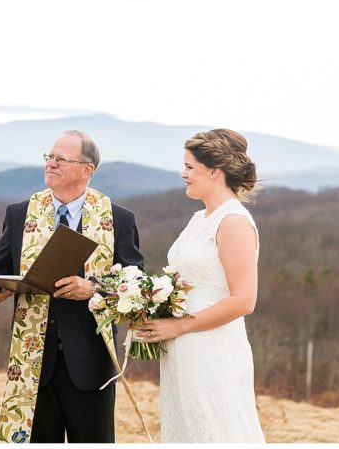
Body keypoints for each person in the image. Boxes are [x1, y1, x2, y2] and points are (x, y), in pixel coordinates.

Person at [0, 130, 144, 443]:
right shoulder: (19, 214)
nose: (51, 164)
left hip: (91, 368)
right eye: (49, 157)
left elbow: (135, 284)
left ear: (87, 170)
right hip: (34, 369)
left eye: (61, 159)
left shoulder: (119, 219)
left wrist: (93, 287)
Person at [133, 128, 266, 442]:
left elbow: (244, 300)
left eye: (190, 167)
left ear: (214, 172)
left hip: (212, 351)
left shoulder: (233, 221)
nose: (184, 174)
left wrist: (179, 326)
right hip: (184, 353)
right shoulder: (199, 219)